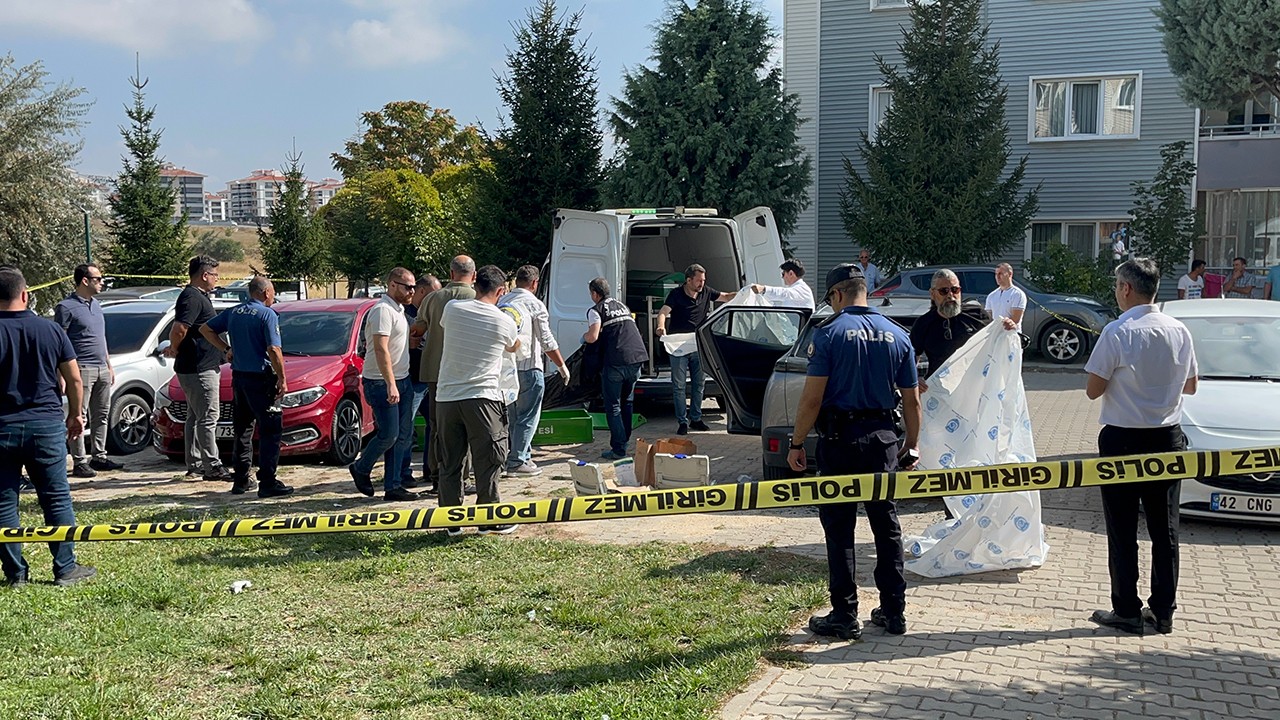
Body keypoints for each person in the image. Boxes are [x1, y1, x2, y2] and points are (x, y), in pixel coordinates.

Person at [788, 263, 921, 639]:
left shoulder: (829, 335)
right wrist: (911, 447)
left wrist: (796, 443)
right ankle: (894, 612)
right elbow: (912, 402)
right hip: (883, 441)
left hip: (839, 442)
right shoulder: (898, 334)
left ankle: (844, 615)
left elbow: (812, 400)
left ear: (836, 295)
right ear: (864, 290)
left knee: (839, 528)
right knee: (886, 526)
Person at [1084, 258, 1198, 636]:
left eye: (1117, 285)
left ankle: (1128, 611)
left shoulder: (1117, 331)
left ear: (1127, 289)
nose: (1117, 291)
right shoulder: (1179, 329)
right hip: (1167, 438)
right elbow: (1192, 385)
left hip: (1123, 438)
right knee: (1164, 529)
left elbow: (1092, 390)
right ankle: (1163, 610)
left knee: (1122, 528)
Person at [0, 266, 97, 587]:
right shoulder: (51, 330)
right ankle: (65, 568)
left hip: (2, 429)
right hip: (46, 425)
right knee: (56, 497)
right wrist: (76, 415)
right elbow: (74, 378)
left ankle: (15, 574)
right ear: (25, 294)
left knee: (4, 502)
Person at [435, 265, 521, 536]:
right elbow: (514, 345)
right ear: (500, 291)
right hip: (483, 398)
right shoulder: (502, 320)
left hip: (447, 398)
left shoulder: (452, 309)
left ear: (475, 284)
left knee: (450, 463)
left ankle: (451, 521)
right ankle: (489, 519)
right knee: (489, 461)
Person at [201, 276, 294, 498]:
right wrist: (282, 378)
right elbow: (273, 349)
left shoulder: (235, 312)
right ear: (265, 293)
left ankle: (241, 479)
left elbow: (206, 329)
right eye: (272, 292)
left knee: (242, 429)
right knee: (271, 431)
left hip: (239, 378)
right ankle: (268, 481)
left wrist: (226, 349)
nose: (273, 297)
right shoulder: (267, 314)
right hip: (262, 379)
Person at [349, 268, 419, 502]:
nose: (412, 291)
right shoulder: (382, 310)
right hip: (381, 381)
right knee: (388, 435)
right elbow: (380, 348)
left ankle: (393, 485)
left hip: (402, 379)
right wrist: (391, 384)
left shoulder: (399, 310)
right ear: (392, 285)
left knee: (400, 436)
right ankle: (361, 467)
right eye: (407, 286)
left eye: (413, 287)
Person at [411, 256, 477, 495]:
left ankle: (437, 476)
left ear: (451, 274)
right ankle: (463, 477)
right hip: (468, 373)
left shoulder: (432, 298)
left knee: (438, 426)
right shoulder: (478, 298)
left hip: (436, 371)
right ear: (474, 275)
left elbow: (418, 330)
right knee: (468, 426)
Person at [498, 265, 569, 476]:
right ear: (535, 283)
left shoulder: (503, 302)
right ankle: (518, 461)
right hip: (529, 368)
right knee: (528, 417)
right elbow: (546, 341)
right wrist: (561, 366)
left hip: (507, 370)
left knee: (512, 418)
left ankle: (519, 455)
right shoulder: (534, 304)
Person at [167, 255, 230, 481]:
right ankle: (212, 466)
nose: (217, 279)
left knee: (195, 416)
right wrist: (174, 348)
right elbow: (180, 328)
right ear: (204, 275)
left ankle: (195, 465)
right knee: (208, 416)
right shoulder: (191, 297)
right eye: (215, 275)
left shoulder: (198, 296)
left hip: (200, 365)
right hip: (198, 366)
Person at [54, 263, 120, 478]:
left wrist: (108, 365)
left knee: (101, 414)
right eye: (98, 279)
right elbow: (58, 343)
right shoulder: (66, 307)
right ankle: (80, 461)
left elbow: (101, 338)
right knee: (78, 415)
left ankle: (99, 456)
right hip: (80, 368)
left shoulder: (96, 305)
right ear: (85, 280)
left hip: (101, 367)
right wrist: (60, 374)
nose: (101, 282)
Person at [655, 264, 737, 434]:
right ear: (689, 280)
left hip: (698, 345)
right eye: (699, 280)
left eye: (703, 280)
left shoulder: (706, 291)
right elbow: (663, 311)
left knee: (698, 384)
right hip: (678, 347)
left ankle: (696, 419)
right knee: (678, 385)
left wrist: (747, 292)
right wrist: (661, 326)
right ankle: (682, 422)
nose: (702, 284)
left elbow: (726, 297)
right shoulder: (676, 294)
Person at [584, 277, 649, 460]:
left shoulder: (595, 310)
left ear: (595, 294)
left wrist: (584, 336)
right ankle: (625, 440)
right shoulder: (622, 306)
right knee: (627, 402)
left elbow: (593, 336)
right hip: (636, 358)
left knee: (612, 406)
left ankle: (619, 449)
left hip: (616, 362)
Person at [910, 269, 987, 392]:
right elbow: (911, 357)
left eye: (955, 290)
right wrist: (915, 378)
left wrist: (1007, 327)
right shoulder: (923, 324)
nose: (950, 295)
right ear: (932, 294)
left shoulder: (977, 315)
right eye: (944, 291)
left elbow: (997, 340)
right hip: (939, 394)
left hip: (973, 391)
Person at [401, 273, 441, 488]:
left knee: (434, 426)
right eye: (435, 294)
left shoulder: (432, 314)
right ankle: (403, 472)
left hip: (431, 379)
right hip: (412, 378)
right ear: (423, 292)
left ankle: (430, 470)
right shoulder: (406, 314)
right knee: (406, 428)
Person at [750, 259, 815, 310]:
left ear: (791, 273)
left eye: (783, 274)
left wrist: (764, 289)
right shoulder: (797, 288)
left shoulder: (802, 289)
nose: (782, 277)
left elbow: (784, 293)